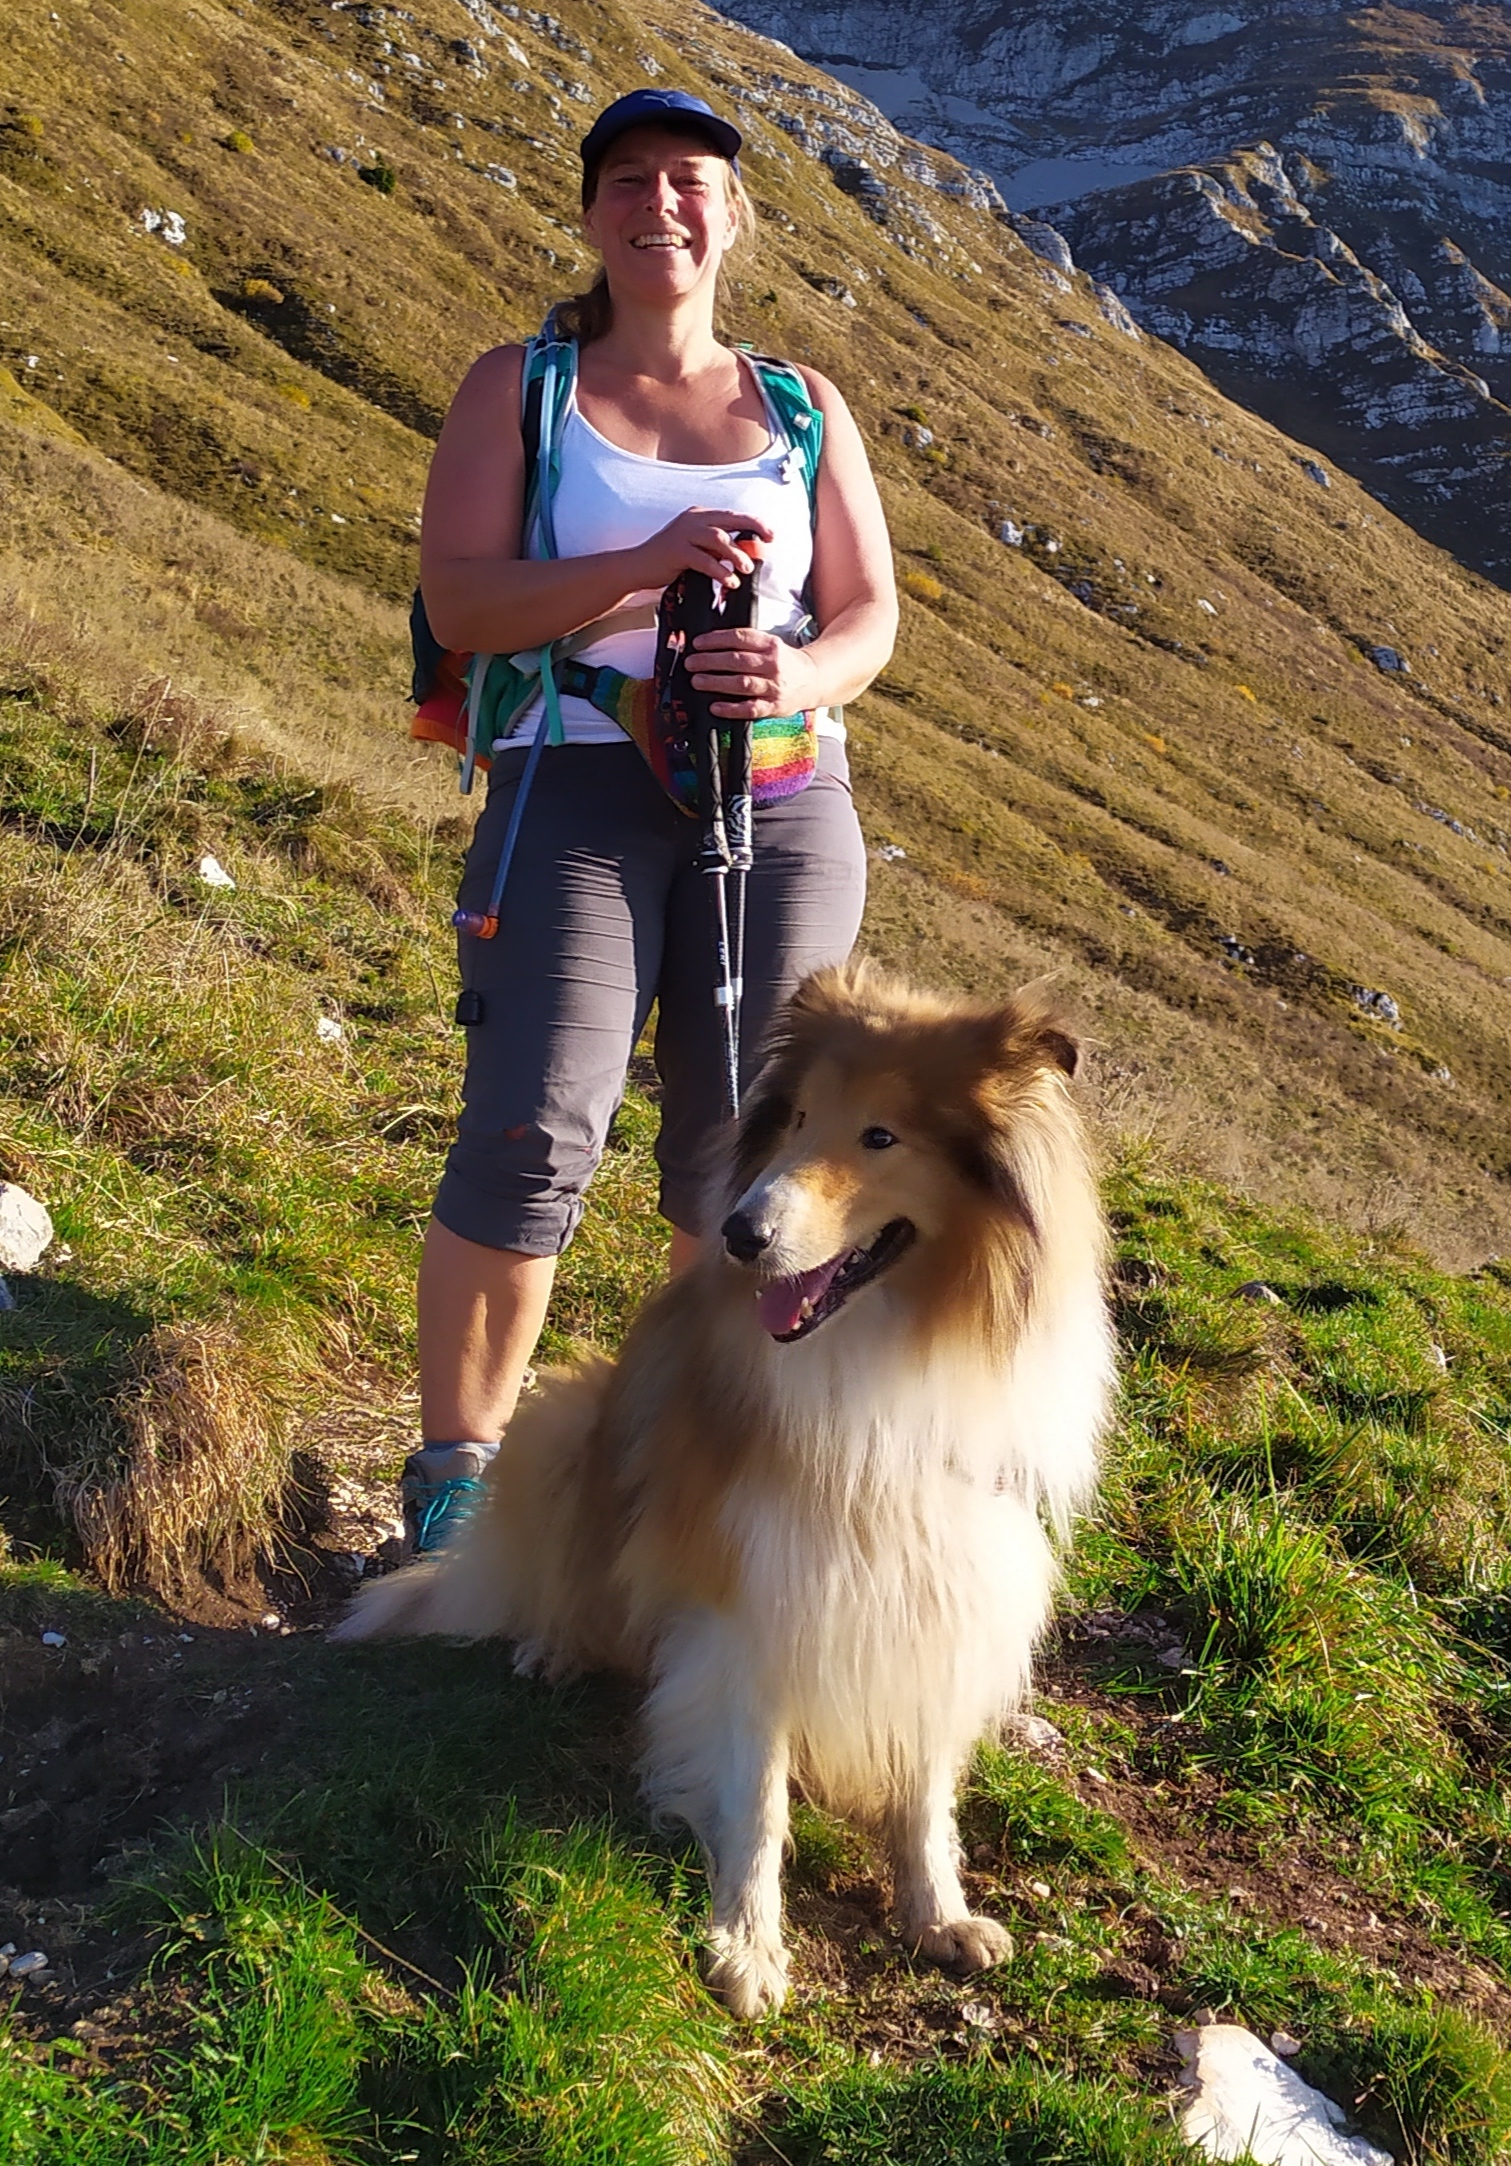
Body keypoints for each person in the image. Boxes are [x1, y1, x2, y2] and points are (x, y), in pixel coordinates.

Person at [403, 87, 898, 1550]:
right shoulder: (522, 387)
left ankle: (711, 1473)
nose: (660, 204)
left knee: (748, 1153)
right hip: (574, 776)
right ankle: (460, 1482)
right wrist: (645, 560)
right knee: (534, 1121)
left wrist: (797, 672)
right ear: (590, 213)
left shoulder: (803, 407)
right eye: (628, 179)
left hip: (783, 797)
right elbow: (461, 600)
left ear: (733, 217)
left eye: (691, 182)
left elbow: (869, 614)